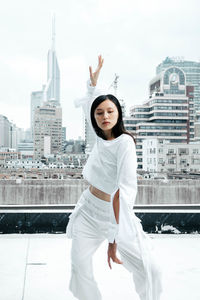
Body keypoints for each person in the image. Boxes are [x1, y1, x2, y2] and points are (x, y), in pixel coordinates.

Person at [66, 55, 162, 300]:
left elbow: (124, 191)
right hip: (88, 210)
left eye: (110, 111)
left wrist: (114, 237)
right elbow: (92, 103)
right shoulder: (100, 138)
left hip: (116, 214)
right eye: (100, 113)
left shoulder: (125, 143)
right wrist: (93, 85)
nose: (105, 116)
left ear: (119, 113)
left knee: (149, 268)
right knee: (79, 267)